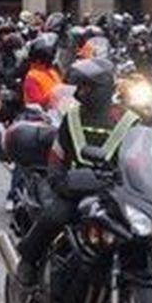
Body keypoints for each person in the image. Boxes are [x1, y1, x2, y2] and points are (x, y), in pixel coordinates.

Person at [14, 57, 132, 286]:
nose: (80, 92)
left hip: (115, 193)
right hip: (75, 191)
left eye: (86, 86)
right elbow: (57, 155)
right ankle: (27, 260)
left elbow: (143, 154)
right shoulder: (73, 118)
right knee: (54, 216)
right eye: (80, 86)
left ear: (102, 89)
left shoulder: (130, 120)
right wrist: (60, 180)